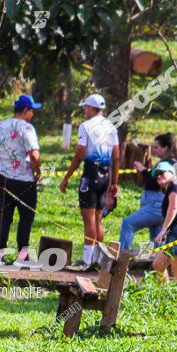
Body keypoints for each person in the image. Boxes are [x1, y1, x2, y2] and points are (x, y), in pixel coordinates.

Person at [59, 94, 119, 271]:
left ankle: (86, 260)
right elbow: (116, 156)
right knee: (99, 218)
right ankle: (99, 260)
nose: (84, 110)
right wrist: (114, 182)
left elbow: (79, 154)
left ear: (93, 108)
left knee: (89, 220)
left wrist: (67, 177)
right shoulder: (111, 126)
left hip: (91, 173)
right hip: (106, 175)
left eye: (86, 107)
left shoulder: (85, 126)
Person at [0, 95, 42, 262]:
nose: (32, 114)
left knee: (4, 217)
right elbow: (33, 154)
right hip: (24, 180)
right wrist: (38, 172)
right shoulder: (27, 128)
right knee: (26, 218)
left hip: (3, 179)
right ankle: (23, 255)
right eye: (32, 110)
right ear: (25, 110)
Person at [120, 133, 177, 252]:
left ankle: (122, 260)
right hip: (157, 202)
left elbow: (156, 182)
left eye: (156, 147)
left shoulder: (168, 163)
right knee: (156, 239)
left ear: (166, 148)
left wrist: (143, 170)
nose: (154, 150)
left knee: (128, 224)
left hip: (157, 203)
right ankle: (154, 265)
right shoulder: (167, 162)